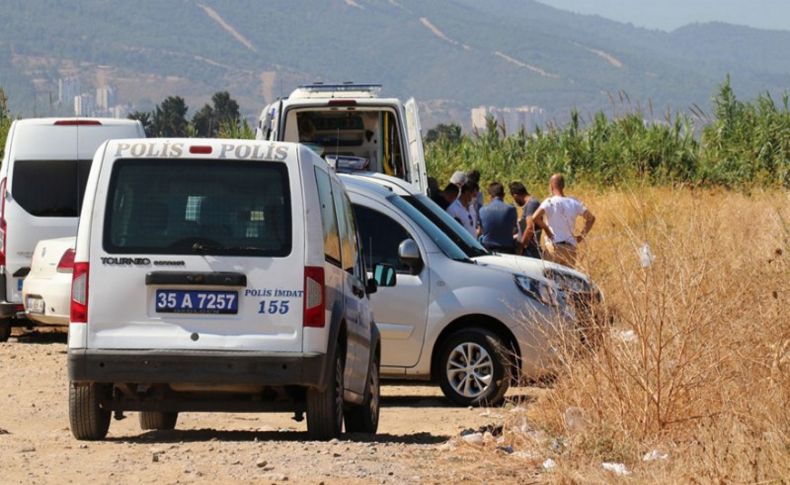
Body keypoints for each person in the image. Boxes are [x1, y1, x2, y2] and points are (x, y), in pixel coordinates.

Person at [528, 173, 595, 268]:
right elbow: (591, 219)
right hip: (570, 249)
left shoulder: (549, 202)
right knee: (567, 280)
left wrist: (546, 229)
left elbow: (535, 217)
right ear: (563, 186)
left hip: (553, 247)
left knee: (550, 279)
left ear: (551, 186)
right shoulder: (574, 202)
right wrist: (581, 236)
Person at [479, 182, 518, 253]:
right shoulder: (511, 209)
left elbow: (481, 230)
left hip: (488, 250)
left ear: (490, 196)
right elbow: (514, 230)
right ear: (503, 195)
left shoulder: (482, 210)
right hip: (507, 250)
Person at [509, 181, 542, 259]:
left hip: (530, 250)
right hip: (528, 249)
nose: (515, 202)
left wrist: (521, 246)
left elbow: (530, 227)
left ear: (515, 195)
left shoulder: (531, 204)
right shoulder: (530, 204)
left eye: (514, 198)